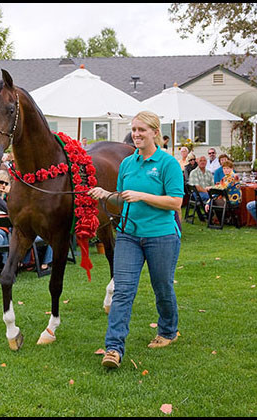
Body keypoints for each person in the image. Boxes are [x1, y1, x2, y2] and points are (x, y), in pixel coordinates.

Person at [88, 110, 184, 369]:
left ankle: (167, 331)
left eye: (142, 129)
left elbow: (175, 202)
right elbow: (123, 196)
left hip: (161, 237)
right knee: (122, 291)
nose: (137, 134)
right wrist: (106, 194)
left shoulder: (167, 164)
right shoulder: (128, 164)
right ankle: (114, 348)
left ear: (155, 132)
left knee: (162, 287)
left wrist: (143, 196)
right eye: (134, 129)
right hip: (129, 235)